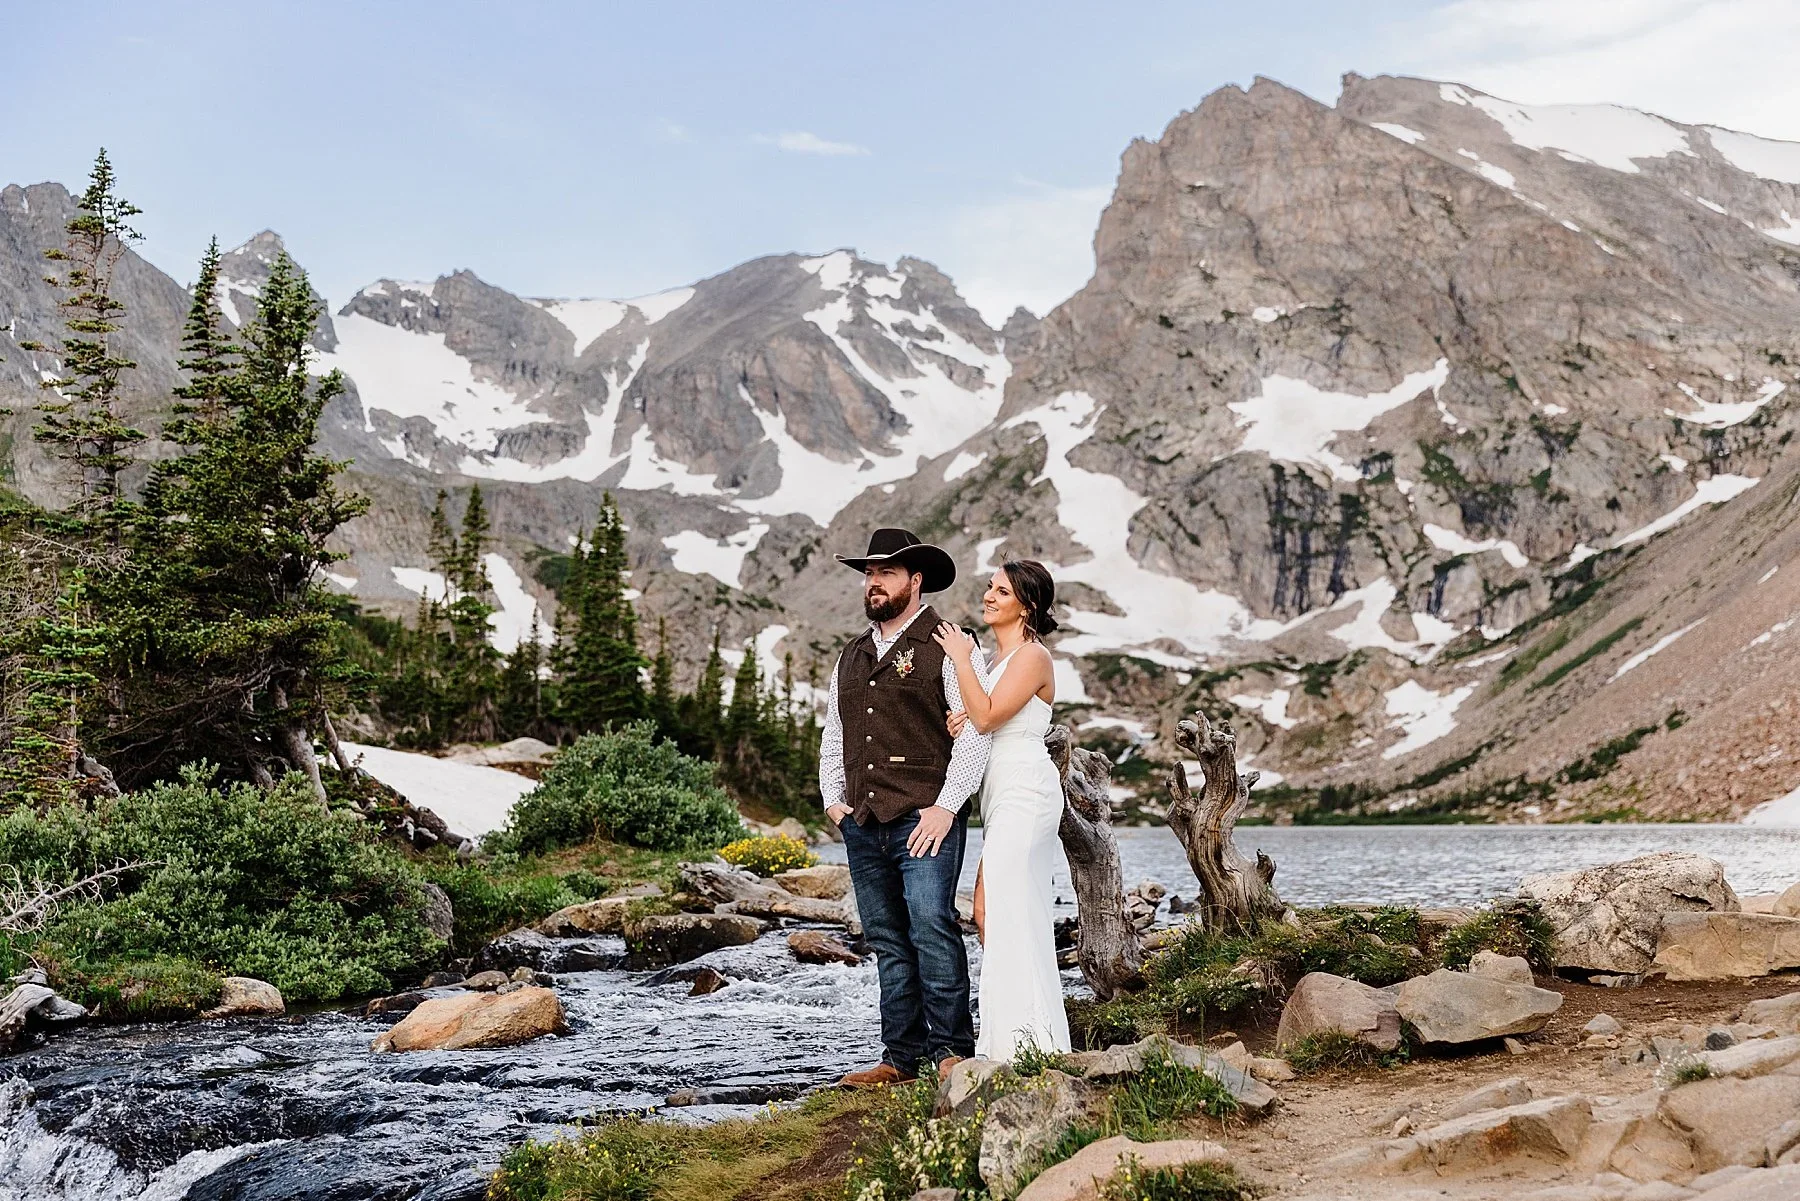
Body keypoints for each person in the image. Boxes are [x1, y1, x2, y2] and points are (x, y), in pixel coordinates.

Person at [821, 528, 992, 1086]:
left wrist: (946, 807)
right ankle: (900, 1058)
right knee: (888, 940)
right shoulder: (851, 654)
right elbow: (835, 730)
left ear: (915, 581)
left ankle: (950, 1051)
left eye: (887, 572)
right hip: (864, 822)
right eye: (869, 573)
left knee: (932, 928)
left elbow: (974, 733)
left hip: (927, 816)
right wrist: (833, 800)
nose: (874, 582)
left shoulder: (950, 643)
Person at [933, 559, 1073, 1061]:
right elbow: (980, 719)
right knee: (988, 913)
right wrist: (962, 718)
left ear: (1027, 605)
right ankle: (1016, 1039)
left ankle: (1028, 1048)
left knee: (1009, 912)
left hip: (1026, 792)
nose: (989, 596)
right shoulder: (998, 663)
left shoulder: (1033, 657)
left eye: (1002, 591)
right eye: (989, 588)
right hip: (999, 796)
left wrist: (961, 659)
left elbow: (990, 717)